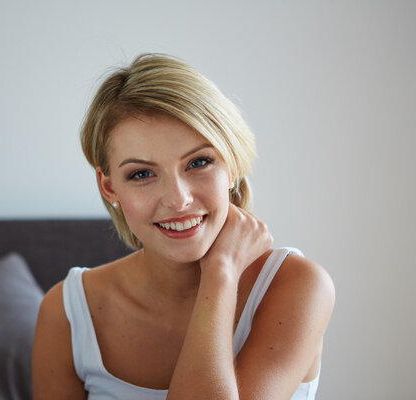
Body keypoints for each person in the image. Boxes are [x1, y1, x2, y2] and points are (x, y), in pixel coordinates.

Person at [32, 53, 335, 400]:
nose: (178, 199)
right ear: (109, 187)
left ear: (232, 165)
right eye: (142, 174)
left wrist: (220, 274)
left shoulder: (297, 286)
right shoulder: (68, 312)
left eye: (199, 162)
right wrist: (221, 273)